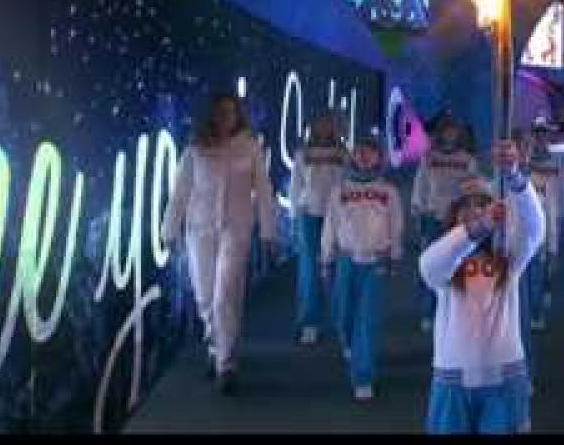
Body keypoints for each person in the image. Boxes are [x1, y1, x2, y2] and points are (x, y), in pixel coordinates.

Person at [420, 139, 544, 434]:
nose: (475, 210)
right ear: (453, 214)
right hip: (452, 376)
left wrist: (514, 175)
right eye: (466, 205)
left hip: (504, 374)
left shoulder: (509, 255)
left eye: (483, 203)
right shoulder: (446, 254)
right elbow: (429, 266)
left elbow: (535, 228)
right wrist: (479, 228)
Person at [162, 92, 278, 395]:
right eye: (221, 112)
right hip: (199, 230)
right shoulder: (196, 149)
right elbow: (180, 192)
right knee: (204, 296)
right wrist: (169, 230)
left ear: (238, 115)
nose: (227, 118)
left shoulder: (250, 148)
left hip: (236, 229)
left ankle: (226, 365)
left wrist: (268, 231)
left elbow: (264, 192)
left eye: (232, 112)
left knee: (225, 293)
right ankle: (216, 346)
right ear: (212, 115)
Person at [320, 136, 404, 401]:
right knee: (344, 312)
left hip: (376, 259)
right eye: (359, 152)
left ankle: (363, 375)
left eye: (370, 152)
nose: (364, 156)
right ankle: (349, 343)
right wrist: (326, 258)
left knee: (367, 318)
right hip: (346, 258)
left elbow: (397, 224)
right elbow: (330, 225)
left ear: (379, 157)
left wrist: (394, 254)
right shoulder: (339, 190)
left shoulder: (388, 191)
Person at [412, 112, 479, 332]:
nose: (450, 134)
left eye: (454, 131)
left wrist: (471, 214)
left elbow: (473, 190)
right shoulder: (428, 158)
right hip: (432, 217)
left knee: (457, 266)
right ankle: (427, 312)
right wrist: (418, 214)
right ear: (440, 133)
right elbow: (420, 188)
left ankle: (456, 312)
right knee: (430, 266)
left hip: (457, 220)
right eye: (446, 130)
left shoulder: (467, 160)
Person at [289, 113, 347, 345]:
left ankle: (341, 321)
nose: (325, 129)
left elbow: (349, 183)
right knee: (309, 270)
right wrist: (296, 214)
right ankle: (309, 322)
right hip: (309, 214)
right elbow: (295, 186)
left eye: (329, 125)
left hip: (338, 216)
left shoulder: (344, 154)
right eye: (320, 124)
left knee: (337, 267)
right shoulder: (303, 154)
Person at [522, 118, 564, 331]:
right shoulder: (524, 162)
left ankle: (542, 295)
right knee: (530, 270)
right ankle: (532, 310)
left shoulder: (556, 163)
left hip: (551, 218)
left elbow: (563, 192)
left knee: (547, 265)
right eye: (537, 133)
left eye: (544, 133)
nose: (541, 137)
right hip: (527, 226)